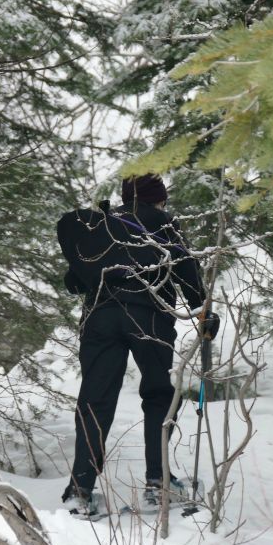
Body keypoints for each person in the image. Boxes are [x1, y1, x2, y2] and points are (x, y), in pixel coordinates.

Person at [57, 173, 217, 516]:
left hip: (99, 317)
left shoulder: (103, 225)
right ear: (156, 199)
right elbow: (186, 274)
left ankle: (80, 490)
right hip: (149, 317)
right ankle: (158, 482)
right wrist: (203, 308)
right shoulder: (161, 222)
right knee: (158, 394)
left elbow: (74, 280)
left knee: (95, 400)